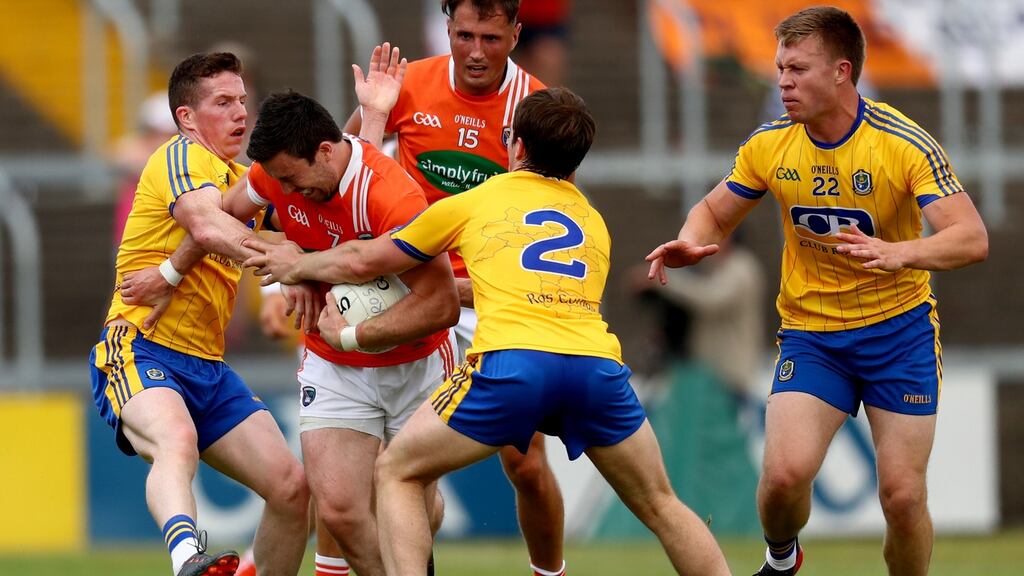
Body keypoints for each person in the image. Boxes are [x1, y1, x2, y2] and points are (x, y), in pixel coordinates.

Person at [246, 87, 732, 576]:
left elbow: (366, 258)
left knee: (397, 471)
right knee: (662, 504)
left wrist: (300, 263)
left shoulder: (476, 201)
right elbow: (503, 287)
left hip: (514, 366)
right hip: (596, 369)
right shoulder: (594, 222)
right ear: (576, 161)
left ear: (515, 146)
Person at [645, 7, 989, 575]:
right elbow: (713, 210)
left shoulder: (902, 144)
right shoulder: (770, 144)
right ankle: (782, 559)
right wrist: (690, 240)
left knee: (902, 498)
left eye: (798, 69)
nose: (783, 81)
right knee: (782, 479)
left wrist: (899, 252)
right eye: (780, 68)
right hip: (814, 335)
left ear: (841, 72)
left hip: (898, 334)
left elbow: (971, 238)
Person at [344, 3, 566, 574]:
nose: (475, 51)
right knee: (385, 462)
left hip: (493, 303)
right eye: (464, 34)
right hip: (412, 293)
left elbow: (555, 217)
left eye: (491, 38)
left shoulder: (537, 106)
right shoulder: (410, 82)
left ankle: (550, 572)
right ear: (446, 27)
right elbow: (341, 164)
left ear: (517, 33)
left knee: (527, 466)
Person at [89, 52, 310, 576]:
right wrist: (287, 260)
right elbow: (210, 229)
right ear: (187, 118)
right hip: (139, 344)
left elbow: (300, 211)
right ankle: (188, 560)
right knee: (176, 438)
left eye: (242, 101)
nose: (241, 114)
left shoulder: (241, 177)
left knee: (292, 489)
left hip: (207, 366)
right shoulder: (178, 155)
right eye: (224, 103)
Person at [231, 89, 460, 576]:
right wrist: (290, 262)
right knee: (338, 509)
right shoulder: (275, 174)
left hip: (415, 364)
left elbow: (441, 305)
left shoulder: (391, 196)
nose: (285, 194)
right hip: (332, 364)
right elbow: (225, 216)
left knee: (415, 508)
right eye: (277, 182)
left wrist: (354, 335)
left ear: (326, 151)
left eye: (293, 179)